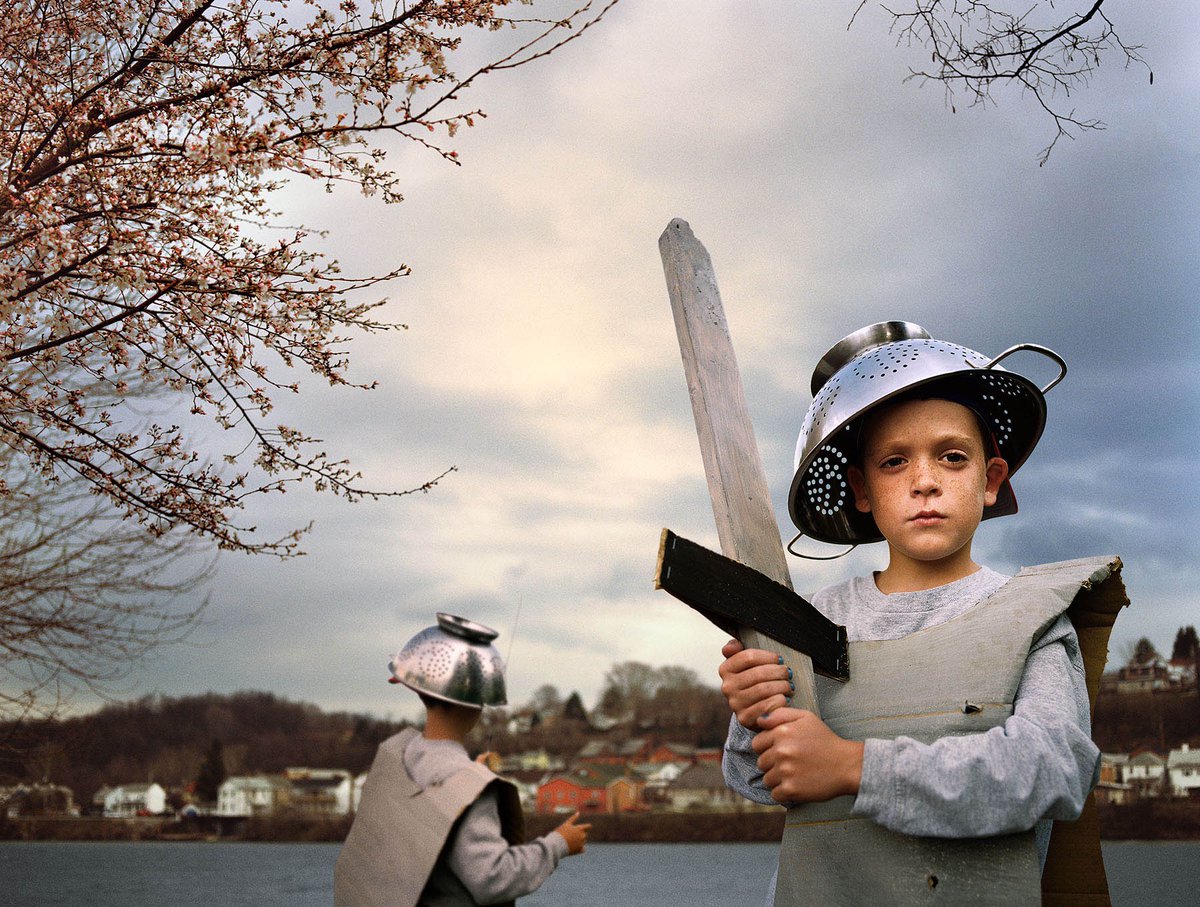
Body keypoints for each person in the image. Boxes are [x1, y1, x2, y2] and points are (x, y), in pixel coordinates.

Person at [718, 322, 1124, 905]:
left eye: (952, 458)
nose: (925, 482)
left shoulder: (1032, 617)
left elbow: (1052, 769)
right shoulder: (806, 618)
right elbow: (758, 779)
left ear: (991, 481)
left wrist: (854, 766)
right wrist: (752, 712)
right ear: (860, 489)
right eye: (893, 463)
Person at [335, 612, 590, 906]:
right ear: (477, 705)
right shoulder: (464, 783)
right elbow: (492, 878)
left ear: (419, 690)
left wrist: (469, 778)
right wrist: (558, 844)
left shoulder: (400, 755)